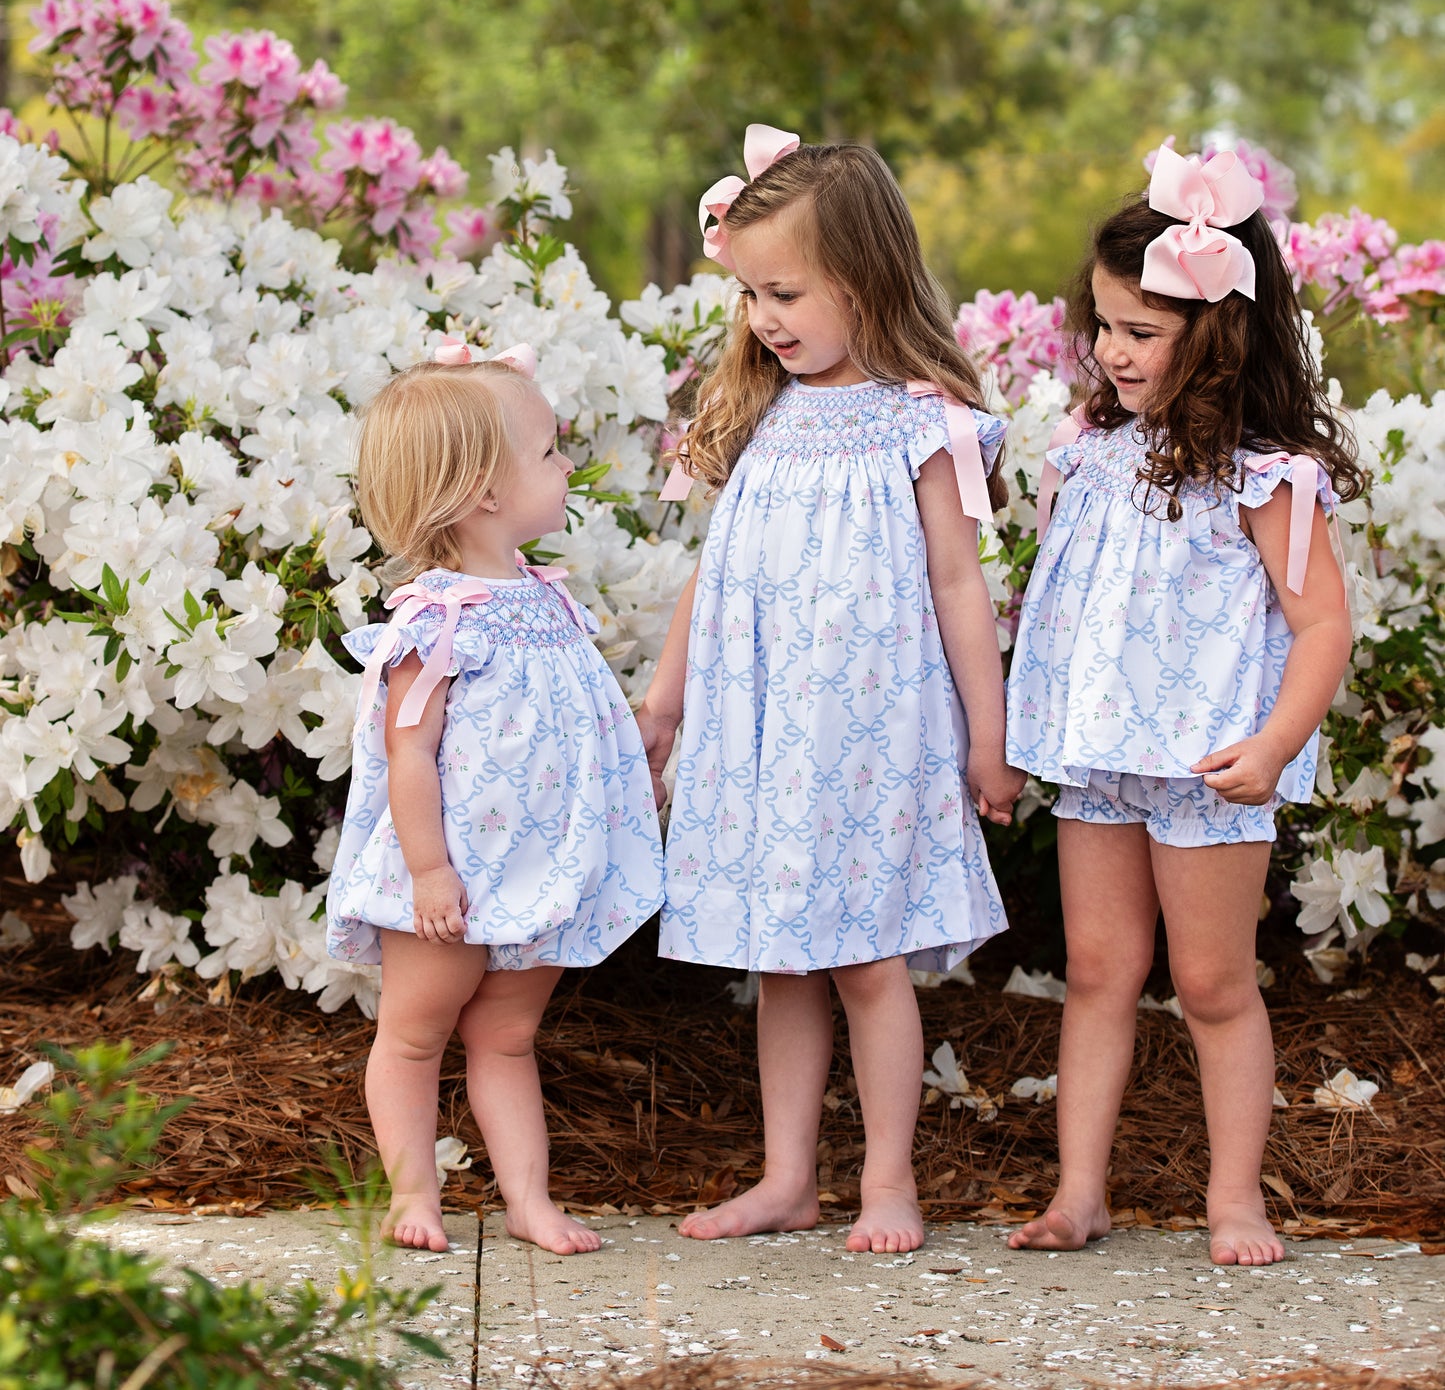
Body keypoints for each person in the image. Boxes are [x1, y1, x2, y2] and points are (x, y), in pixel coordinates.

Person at [636, 125, 1025, 1255]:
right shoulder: (763, 415)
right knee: (779, 956)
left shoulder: (922, 420)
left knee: (864, 955)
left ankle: (889, 1180)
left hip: (868, 733)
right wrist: (665, 701)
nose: (765, 317)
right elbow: (716, 573)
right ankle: (786, 1176)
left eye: (787, 291)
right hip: (759, 725)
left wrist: (986, 741)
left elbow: (959, 583)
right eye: (752, 293)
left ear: (862, 276)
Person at [1005, 144, 1361, 1267]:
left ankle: (1232, 1198)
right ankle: (1078, 1193)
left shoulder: (1262, 476)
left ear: (1214, 338)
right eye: (1102, 326)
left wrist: (1271, 746)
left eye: (1138, 333)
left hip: (1212, 765)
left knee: (1209, 983)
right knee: (1099, 972)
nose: (1110, 352)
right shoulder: (1096, 456)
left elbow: (1321, 628)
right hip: (1104, 759)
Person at [327, 339, 665, 1254]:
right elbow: (407, 755)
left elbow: (569, 720)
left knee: (508, 1038)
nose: (565, 466)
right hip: (454, 879)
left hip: (538, 868)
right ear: (485, 491)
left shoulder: (547, 600)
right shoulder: (437, 621)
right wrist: (430, 873)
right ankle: (412, 1198)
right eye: (550, 452)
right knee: (412, 1037)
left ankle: (527, 1199)